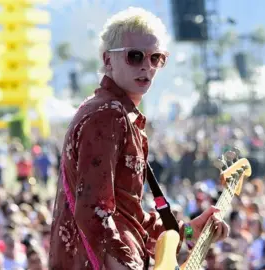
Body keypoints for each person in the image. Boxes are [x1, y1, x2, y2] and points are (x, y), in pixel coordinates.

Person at [49, 7, 229, 270]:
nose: (147, 65)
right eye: (135, 56)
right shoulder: (108, 115)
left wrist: (188, 231)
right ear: (108, 60)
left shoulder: (111, 111)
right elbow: (94, 214)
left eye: (156, 58)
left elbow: (129, 217)